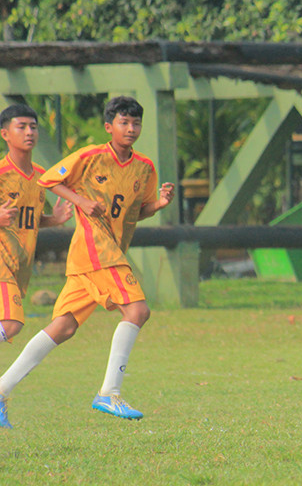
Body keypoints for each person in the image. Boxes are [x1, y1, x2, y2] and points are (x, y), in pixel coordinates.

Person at [0, 96, 175, 423]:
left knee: (63, 327)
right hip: (96, 249)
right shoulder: (91, 156)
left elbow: (136, 211)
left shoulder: (144, 167)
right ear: (109, 127)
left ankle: (1, 389)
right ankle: (109, 392)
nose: (131, 128)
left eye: (136, 123)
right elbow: (49, 179)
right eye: (124, 123)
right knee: (137, 310)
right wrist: (81, 200)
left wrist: (159, 205)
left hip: (100, 254)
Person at [0, 104, 73, 428]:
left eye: (33, 126)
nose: (29, 132)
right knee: (12, 323)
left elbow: (27, 219)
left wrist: (53, 220)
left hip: (21, 266)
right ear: (5, 134)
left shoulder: (42, 177)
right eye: (21, 126)